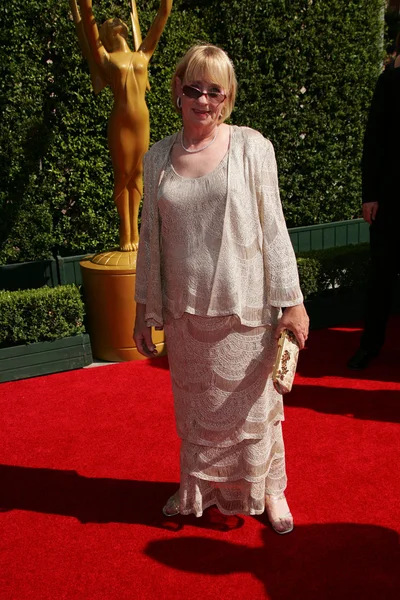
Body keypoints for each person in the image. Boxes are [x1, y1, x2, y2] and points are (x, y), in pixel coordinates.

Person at [134, 44, 309, 534]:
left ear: (228, 96)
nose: (203, 99)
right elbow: (151, 236)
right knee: (196, 413)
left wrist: (292, 304)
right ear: (178, 92)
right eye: (194, 88)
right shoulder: (156, 157)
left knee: (253, 410)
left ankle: (270, 490)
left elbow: (273, 229)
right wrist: (145, 307)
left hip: (246, 310)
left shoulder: (253, 147)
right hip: (187, 317)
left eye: (215, 90)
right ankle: (198, 487)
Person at [70, 0, 173, 251]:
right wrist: (85, 6)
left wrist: (166, 4)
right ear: (104, 34)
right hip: (120, 123)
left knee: (138, 174)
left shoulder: (143, 53)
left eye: (119, 20)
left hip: (142, 121)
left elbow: (162, 15)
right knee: (122, 176)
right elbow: (87, 22)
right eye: (108, 23)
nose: (115, 21)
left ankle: (135, 229)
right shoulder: (105, 58)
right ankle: (124, 230)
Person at [347, 59, 400, 370]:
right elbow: (374, 140)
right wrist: (370, 196)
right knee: (381, 275)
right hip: (392, 199)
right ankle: (370, 345)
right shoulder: (390, 82)